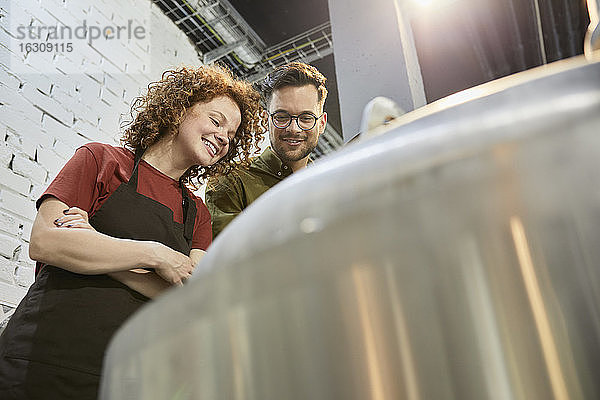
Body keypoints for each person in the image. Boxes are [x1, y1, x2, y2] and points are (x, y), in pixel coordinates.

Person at [0, 65, 264, 399]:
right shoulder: (102, 160)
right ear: (180, 108)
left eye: (232, 135)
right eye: (216, 121)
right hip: (42, 356)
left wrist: (92, 241)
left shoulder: (197, 213)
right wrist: (157, 256)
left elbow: (188, 300)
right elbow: (47, 242)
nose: (224, 138)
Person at [205, 61, 328, 237]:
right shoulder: (232, 181)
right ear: (266, 119)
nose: (294, 128)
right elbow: (231, 258)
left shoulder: (331, 187)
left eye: (306, 118)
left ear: (321, 123)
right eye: (281, 116)